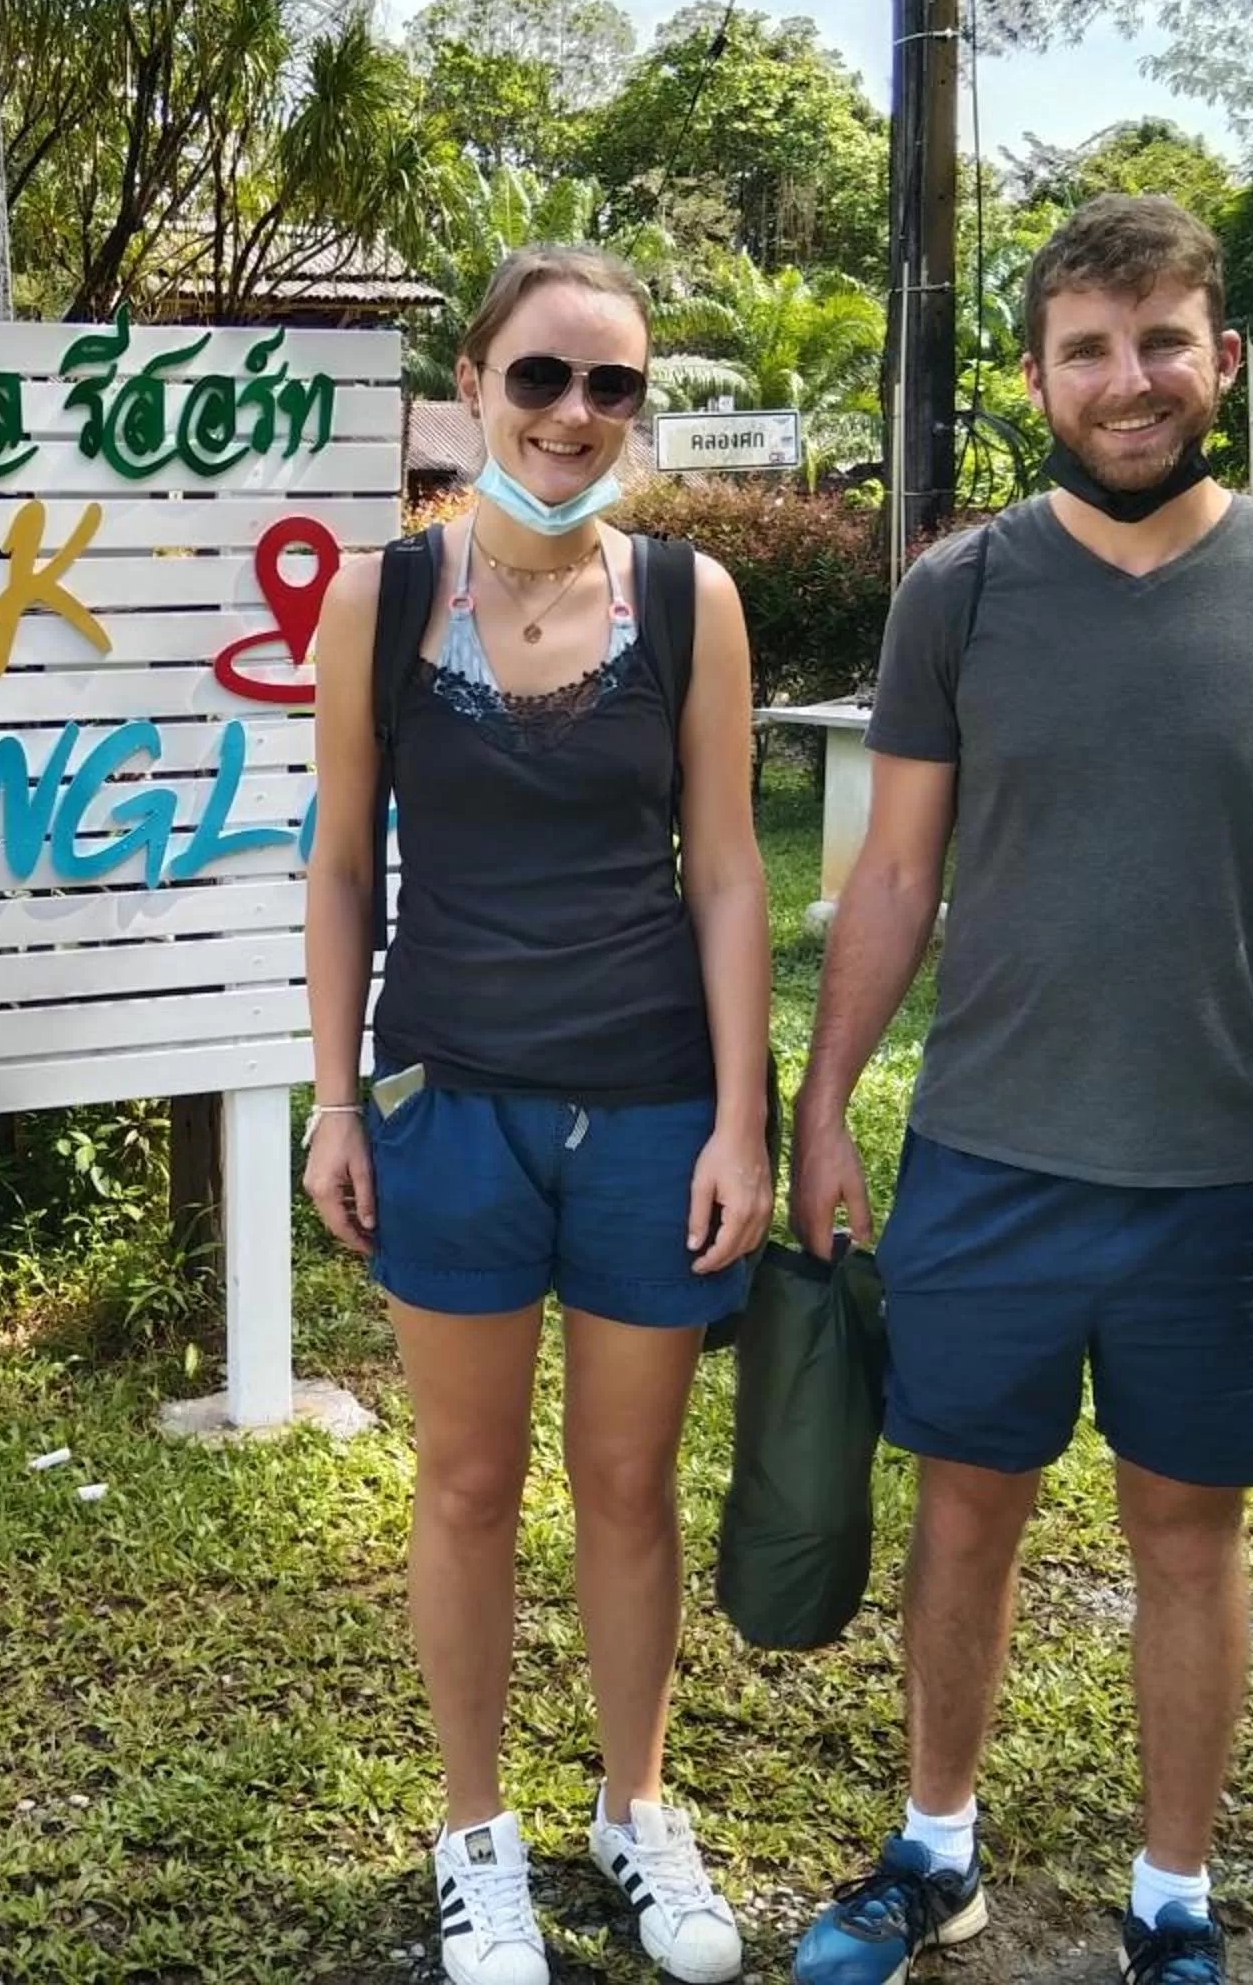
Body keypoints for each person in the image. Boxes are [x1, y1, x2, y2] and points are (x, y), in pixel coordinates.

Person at [785, 193, 1253, 1985]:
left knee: (1183, 1531)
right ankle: (934, 1850)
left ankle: (1173, 1895)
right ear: (1039, 373)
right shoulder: (960, 593)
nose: (1128, 380)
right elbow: (894, 877)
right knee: (964, 1506)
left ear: (1217, 357)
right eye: (1088, 347)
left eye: (1161, 342)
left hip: (1221, 1170)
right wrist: (828, 1105)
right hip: (987, 1155)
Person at [304, 245, 775, 1985]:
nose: (576, 414)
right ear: (475, 381)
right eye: (542, 377)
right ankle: (473, 1833)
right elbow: (342, 860)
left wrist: (741, 1112)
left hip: (651, 1106)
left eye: (613, 386)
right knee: (466, 1481)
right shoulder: (390, 595)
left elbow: (727, 872)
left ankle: (638, 1809)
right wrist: (336, 1097)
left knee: (630, 1483)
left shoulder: (688, 597)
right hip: (455, 1105)